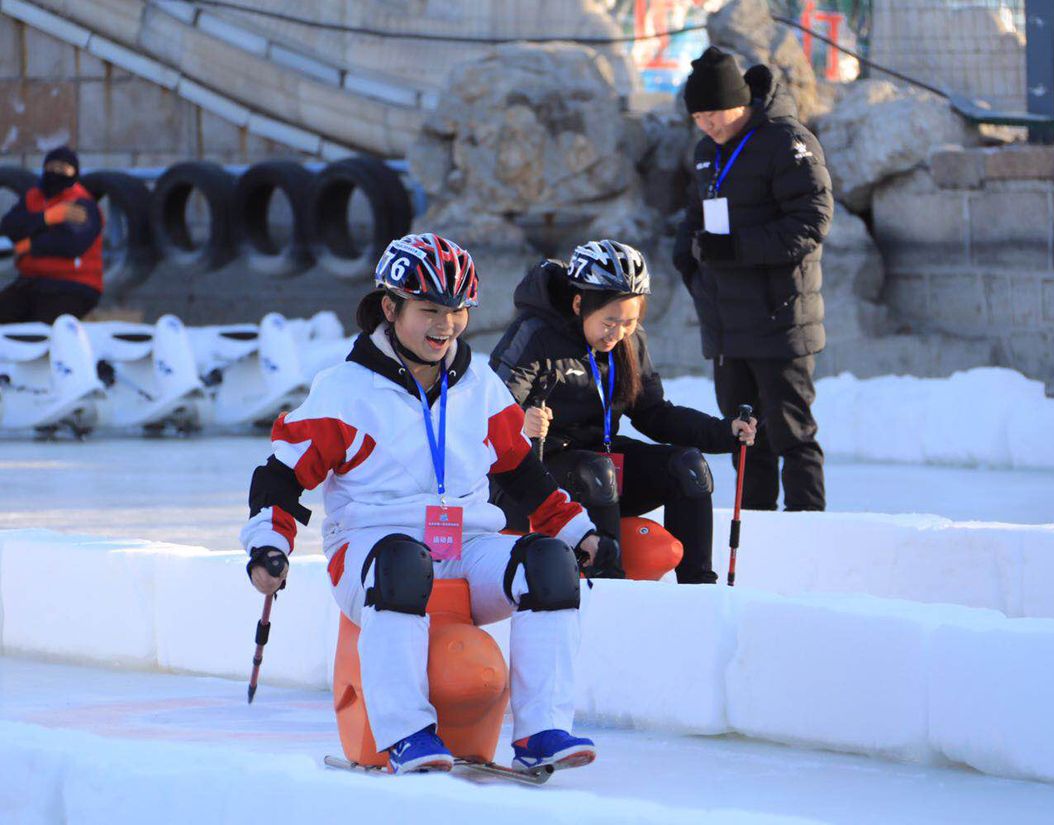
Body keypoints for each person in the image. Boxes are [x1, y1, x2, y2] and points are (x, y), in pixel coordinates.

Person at [240, 233, 617, 775]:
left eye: (458, 311)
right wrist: (268, 548)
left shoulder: (478, 383)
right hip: (373, 551)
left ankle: (541, 730)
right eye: (430, 310)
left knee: (549, 564)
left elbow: (520, 469)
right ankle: (405, 733)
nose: (446, 325)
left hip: (464, 543)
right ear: (390, 307)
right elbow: (280, 478)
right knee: (401, 562)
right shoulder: (344, 390)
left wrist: (575, 530)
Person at [489, 239, 757, 585]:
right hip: (541, 473)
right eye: (609, 322)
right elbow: (490, 409)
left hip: (601, 465)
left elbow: (654, 413)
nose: (618, 333)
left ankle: (698, 589)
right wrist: (522, 419)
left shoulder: (628, 343)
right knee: (598, 471)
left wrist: (724, 432)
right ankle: (608, 583)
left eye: (630, 322)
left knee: (689, 467)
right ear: (578, 304)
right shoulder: (535, 334)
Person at [672, 47, 834, 512]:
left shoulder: (786, 142)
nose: (709, 124)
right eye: (699, 116)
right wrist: (690, 263)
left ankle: (808, 529)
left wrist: (738, 248)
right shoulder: (707, 152)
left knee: (792, 435)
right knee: (745, 438)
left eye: (716, 113)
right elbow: (694, 215)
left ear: (742, 102)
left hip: (779, 319)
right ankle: (756, 530)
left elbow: (811, 220)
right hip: (726, 324)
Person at [0, 146, 104, 323]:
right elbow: (10, 226)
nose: (57, 172)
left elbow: (70, 244)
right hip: (31, 281)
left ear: (75, 172)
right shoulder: (33, 197)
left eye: (64, 168)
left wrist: (28, 245)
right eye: (52, 166)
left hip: (73, 284)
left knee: (40, 327)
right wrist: (46, 219)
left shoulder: (81, 203)